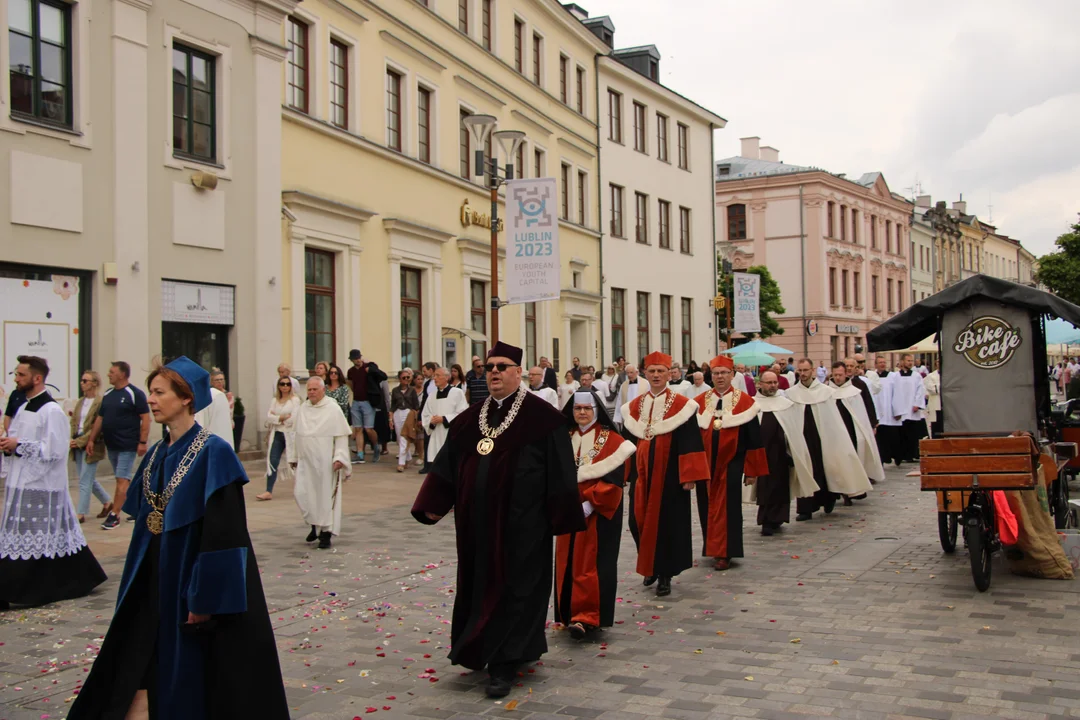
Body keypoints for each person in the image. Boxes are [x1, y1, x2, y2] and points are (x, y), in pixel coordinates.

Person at [68, 356, 287, 720]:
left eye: (158, 392)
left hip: (189, 583)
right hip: (153, 582)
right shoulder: (157, 452)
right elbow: (146, 518)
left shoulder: (213, 452)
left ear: (185, 398)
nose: (150, 400)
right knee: (138, 662)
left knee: (194, 672)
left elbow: (225, 535)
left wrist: (204, 599)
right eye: (150, 392)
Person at [411, 342, 584, 699]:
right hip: (476, 525)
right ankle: (480, 647)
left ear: (519, 373)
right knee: (480, 586)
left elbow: (561, 471)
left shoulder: (543, 418)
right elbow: (448, 463)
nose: (493, 372)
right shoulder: (471, 418)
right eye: (489, 367)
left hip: (524, 526)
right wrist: (433, 503)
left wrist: (561, 515)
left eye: (502, 366)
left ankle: (506, 660)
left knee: (516, 589)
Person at [0, 356, 107, 610]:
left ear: (37, 378)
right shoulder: (25, 407)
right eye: (16, 374)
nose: (16, 379)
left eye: (20, 375)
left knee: (36, 537)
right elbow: (20, 441)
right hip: (21, 483)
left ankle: (26, 589)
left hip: (41, 486)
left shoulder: (51, 411)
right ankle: (71, 580)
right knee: (34, 537)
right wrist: (8, 445)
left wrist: (19, 445)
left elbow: (55, 450)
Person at [620, 351, 709, 597]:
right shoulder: (634, 407)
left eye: (661, 371)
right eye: (652, 371)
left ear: (670, 374)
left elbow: (691, 441)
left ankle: (664, 575)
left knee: (666, 525)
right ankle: (649, 565)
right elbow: (627, 443)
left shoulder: (683, 406)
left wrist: (689, 475)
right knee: (637, 521)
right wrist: (623, 474)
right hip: (641, 477)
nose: (656, 375)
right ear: (644, 374)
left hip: (669, 476)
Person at [555, 391, 634, 640]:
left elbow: (615, 480)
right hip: (568, 512)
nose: (581, 413)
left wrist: (589, 504)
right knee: (567, 561)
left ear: (596, 411)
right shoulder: (562, 438)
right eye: (577, 408)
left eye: (586, 408)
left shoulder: (612, 441)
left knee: (591, 564)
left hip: (598, 513)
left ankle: (588, 617)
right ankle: (567, 613)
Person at [693, 355, 769, 570]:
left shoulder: (745, 402)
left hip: (732, 464)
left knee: (728, 509)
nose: (720, 377)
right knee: (706, 507)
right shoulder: (699, 402)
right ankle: (712, 547)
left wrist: (752, 470)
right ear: (711, 376)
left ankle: (726, 552)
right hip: (706, 466)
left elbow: (754, 438)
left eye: (724, 373)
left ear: (732, 375)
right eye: (716, 373)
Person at [787, 359, 872, 522]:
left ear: (812, 370)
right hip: (803, 439)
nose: (803, 374)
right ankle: (805, 508)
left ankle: (828, 499)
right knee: (805, 472)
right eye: (801, 371)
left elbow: (833, 420)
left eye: (806, 370)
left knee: (826, 468)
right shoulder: (791, 394)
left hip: (823, 438)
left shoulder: (825, 392)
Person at [87, 361, 151, 530]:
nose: (108, 375)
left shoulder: (134, 394)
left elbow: (145, 418)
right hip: (112, 445)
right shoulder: (108, 394)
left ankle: (114, 514)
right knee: (122, 479)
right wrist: (91, 439)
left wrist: (142, 442)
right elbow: (100, 418)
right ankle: (137, 508)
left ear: (122, 374)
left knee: (122, 479)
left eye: (112, 372)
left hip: (128, 445)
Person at [289, 377, 352, 549]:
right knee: (302, 493)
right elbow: (297, 434)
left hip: (325, 462)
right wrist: (294, 457)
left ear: (323, 390)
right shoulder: (303, 408)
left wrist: (339, 457)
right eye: (309, 389)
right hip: (306, 461)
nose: (311, 392)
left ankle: (325, 532)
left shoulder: (332, 409)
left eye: (314, 389)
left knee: (324, 497)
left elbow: (341, 436)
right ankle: (314, 525)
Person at [752, 371, 817, 535]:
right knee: (765, 488)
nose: (772, 385)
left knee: (781, 486)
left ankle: (778, 518)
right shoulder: (753, 404)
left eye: (775, 382)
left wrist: (793, 451)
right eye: (769, 383)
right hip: (762, 453)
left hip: (782, 454)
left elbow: (794, 429)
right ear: (760, 384)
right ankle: (766, 520)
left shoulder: (786, 404)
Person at [828, 362, 885, 498]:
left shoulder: (854, 391)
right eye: (835, 375)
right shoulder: (827, 391)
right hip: (835, 434)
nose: (837, 378)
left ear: (845, 374)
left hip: (852, 431)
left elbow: (864, 410)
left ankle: (855, 489)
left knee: (854, 459)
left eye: (840, 375)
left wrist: (872, 424)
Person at [71, 370, 113, 523]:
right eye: (82, 380)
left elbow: (97, 426)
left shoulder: (100, 402)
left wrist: (82, 440)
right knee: (87, 477)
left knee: (84, 480)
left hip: (92, 444)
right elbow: (74, 421)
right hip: (77, 443)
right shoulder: (81, 401)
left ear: (94, 383)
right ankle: (107, 502)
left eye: (85, 380)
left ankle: (80, 513)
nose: (82, 383)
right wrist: (72, 439)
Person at [258, 373, 299, 501]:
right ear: (278, 386)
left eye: (288, 384)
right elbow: (269, 416)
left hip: (290, 434)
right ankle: (268, 491)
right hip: (277, 433)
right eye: (282, 384)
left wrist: (279, 418)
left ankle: (301, 489)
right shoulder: (274, 401)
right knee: (272, 461)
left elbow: (294, 417)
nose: (285, 387)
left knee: (295, 461)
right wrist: (281, 418)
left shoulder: (295, 400)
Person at [421, 366, 468, 474]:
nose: (434, 378)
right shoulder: (432, 396)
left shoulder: (457, 392)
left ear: (447, 377)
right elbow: (426, 415)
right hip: (436, 434)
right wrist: (431, 421)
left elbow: (463, 412)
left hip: (451, 433)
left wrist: (444, 418)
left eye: (437, 375)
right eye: (434, 376)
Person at [346, 350, 385, 464]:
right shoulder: (351, 371)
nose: (357, 360)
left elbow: (384, 376)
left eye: (358, 358)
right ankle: (360, 454)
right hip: (356, 401)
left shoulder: (369, 367)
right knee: (358, 428)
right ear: (352, 360)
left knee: (368, 429)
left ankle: (376, 446)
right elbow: (351, 384)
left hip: (368, 401)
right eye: (355, 359)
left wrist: (371, 370)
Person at [892, 353, 928, 464]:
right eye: (908, 360)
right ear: (902, 362)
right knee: (902, 433)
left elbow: (920, 390)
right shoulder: (895, 376)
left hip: (912, 408)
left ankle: (913, 454)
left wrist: (917, 403)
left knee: (913, 433)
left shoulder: (916, 376)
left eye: (911, 360)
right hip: (901, 408)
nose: (910, 362)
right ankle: (903, 455)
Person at [866, 355, 901, 465]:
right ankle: (882, 458)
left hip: (890, 410)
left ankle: (896, 456)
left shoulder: (893, 376)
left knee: (893, 436)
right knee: (881, 438)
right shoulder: (871, 377)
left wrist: (897, 410)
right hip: (879, 410)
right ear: (875, 364)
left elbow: (898, 393)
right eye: (880, 362)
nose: (882, 364)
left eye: (884, 362)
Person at [390, 369, 420, 473]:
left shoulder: (412, 390)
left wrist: (416, 418)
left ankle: (401, 463)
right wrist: (390, 418)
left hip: (408, 414)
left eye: (408, 377)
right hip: (397, 413)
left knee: (404, 437)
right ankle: (408, 458)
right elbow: (392, 406)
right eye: (404, 378)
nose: (406, 380)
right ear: (399, 379)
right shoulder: (395, 391)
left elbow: (416, 405)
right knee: (400, 437)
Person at [195, 375, 233, 445]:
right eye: (217, 380)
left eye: (221, 379)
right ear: (211, 382)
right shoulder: (205, 396)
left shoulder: (224, 395)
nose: (219, 382)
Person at [844, 356, 878, 430]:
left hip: (859, 421)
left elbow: (868, 403)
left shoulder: (861, 384)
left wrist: (873, 424)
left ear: (855, 368)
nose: (849, 368)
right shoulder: (838, 383)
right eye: (847, 366)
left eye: (851, 366)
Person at [613, 365, 646, 430]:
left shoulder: (645, 383)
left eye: (631, 372)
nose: (629, 375)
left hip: (641, 418)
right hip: (627, 417)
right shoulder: (624, 385)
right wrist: (618, 418)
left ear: (636, 372)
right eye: (627, 373)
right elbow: (619, 402)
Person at [924, 365, 942, 438]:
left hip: (947, 406)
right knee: (936, 428)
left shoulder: (948, 374)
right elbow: (932, 389)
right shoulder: (931, 376)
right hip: (936, 406)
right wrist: (944, 386)